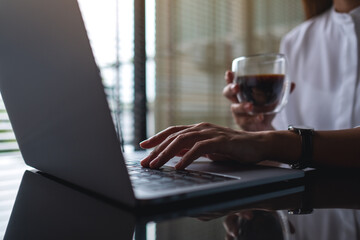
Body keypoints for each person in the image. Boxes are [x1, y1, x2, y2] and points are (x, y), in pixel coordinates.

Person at [140, 0, 360, 170]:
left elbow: (289, 145)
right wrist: (260, 132)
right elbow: (293, 153)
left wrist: (270, 143)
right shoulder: (296, 41)